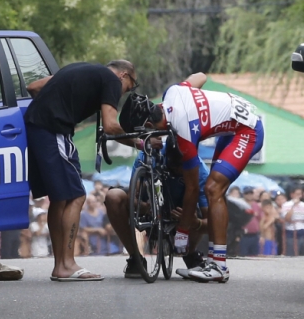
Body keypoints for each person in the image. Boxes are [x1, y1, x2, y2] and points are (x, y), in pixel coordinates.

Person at [124, 72, 264, 282]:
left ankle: (219, 267)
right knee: (216, 189)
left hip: (248, 130)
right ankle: (214, 260)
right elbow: (200, 76)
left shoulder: (184, 133)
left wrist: (183, 230)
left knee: (212, 189)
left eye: (145, 133)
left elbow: (191, 188)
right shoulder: (172, 92)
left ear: (151, 127)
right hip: (234, 123)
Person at [25, 59, 140, 281]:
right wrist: (139, 142)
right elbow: (110, 125)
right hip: (53, 129)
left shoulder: (82, 70)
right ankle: (68, 263)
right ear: (124, 75)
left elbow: (34, 87)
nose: (124, 93)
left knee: (60, 199)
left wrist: (50, 107)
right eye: (130, 87)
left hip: (37, 127)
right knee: (76, 195)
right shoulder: (111, 80)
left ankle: (61, 266)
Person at [105, 136, 210, 278]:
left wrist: (195, 223)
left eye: (183, 168)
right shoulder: (149, 154)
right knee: (113, 197)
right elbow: (132, 197)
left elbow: (211, 223)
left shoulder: (201, 172)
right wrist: (142, 206)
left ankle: (190, 254)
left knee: (195, 214)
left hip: (182, 209)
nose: (178, 171)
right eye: (174, 166)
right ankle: (135, 259)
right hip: (149, 201)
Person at [280, 187, 304, 256]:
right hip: (291, 231)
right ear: (292, 195)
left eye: (300, 194)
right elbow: (287, 218)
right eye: (297, 194)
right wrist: (293, 206)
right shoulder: (286, 205)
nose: (299, 196)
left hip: (302, 230)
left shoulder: (303, 205)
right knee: (291, 253)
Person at [239, 186, 262, 257]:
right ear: (243, 194)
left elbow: (260, 220)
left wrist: (261, 235)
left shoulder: (256, 205)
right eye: (247, 193)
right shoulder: (240, 205)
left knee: (255, 255)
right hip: (243, 235)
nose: (249, 195)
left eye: (251, 193)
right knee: (243, 255)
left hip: (255, 235)